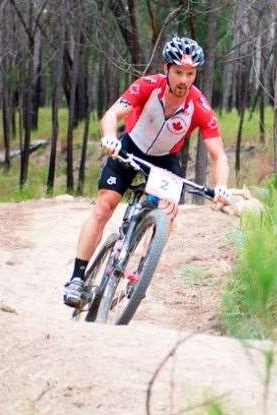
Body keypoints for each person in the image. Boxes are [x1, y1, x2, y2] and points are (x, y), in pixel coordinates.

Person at [63, 36, 231, 308]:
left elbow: (217, 154)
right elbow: (112, 115)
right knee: (105, 207)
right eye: (178, 72)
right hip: (129, 148)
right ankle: (77, 279)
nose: (183, 80)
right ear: (166, 69)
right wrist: (109, 137)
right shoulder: (147, 86)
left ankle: (142, 270)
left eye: (190, 74)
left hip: (166, 160)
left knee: (167, 212)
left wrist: (221, 184)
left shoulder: (199, 106)